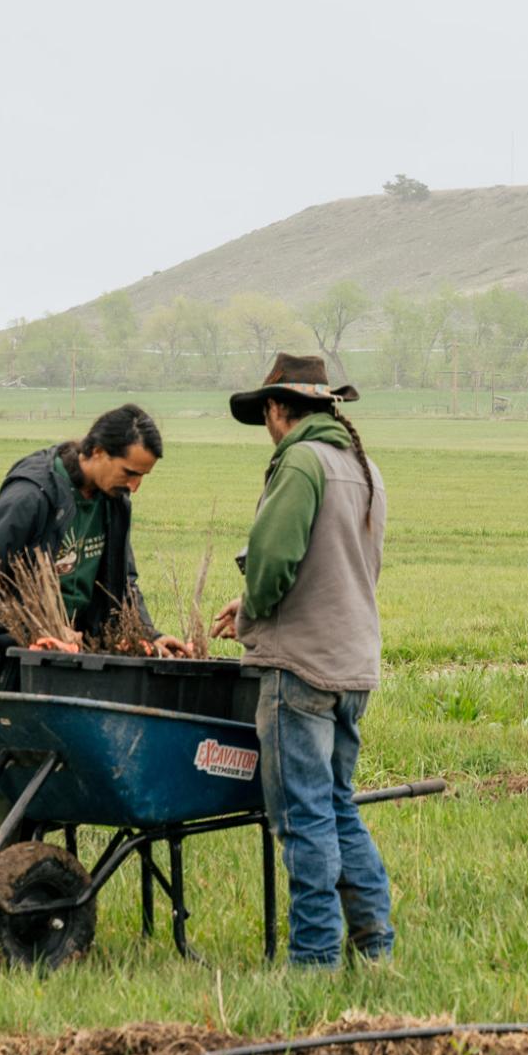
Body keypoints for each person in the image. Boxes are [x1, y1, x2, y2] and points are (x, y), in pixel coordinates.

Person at [0, 402, 185, 924]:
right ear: (94, 451)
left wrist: (148, 636)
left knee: (20, 830)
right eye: (130, 472)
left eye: (143, 477)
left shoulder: (113, 503)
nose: (135, 486)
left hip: (49, 691)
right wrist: (28, 635)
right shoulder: (33, 495)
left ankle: (2, 927)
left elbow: (119, 585)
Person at [213, 352, 392, 968]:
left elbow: (273, 564)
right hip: (352, 662)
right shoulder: (360, 465)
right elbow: (334, 567)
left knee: (303, 817)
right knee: (339, 805)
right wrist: (253, 601)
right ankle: (375, 948)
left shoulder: (298, 462)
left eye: (265, 415)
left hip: (301, 669)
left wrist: (251, 608)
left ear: (276, 410)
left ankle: (313, 961)